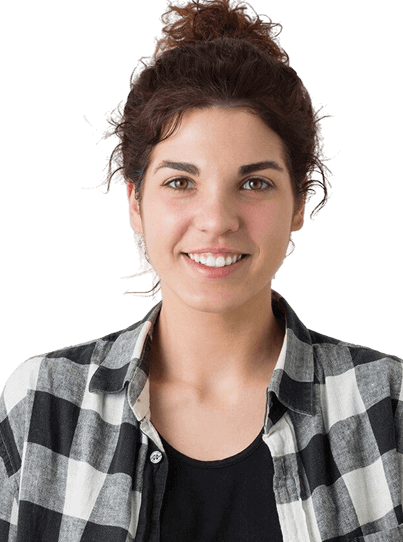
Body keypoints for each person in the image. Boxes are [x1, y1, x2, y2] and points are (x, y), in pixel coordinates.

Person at [1, 0, 402, 540]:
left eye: (254, 183)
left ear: (299, 204)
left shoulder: (389, 405)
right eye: (180, 182)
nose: (216, 220)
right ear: (135, 203)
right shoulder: (40, 403)